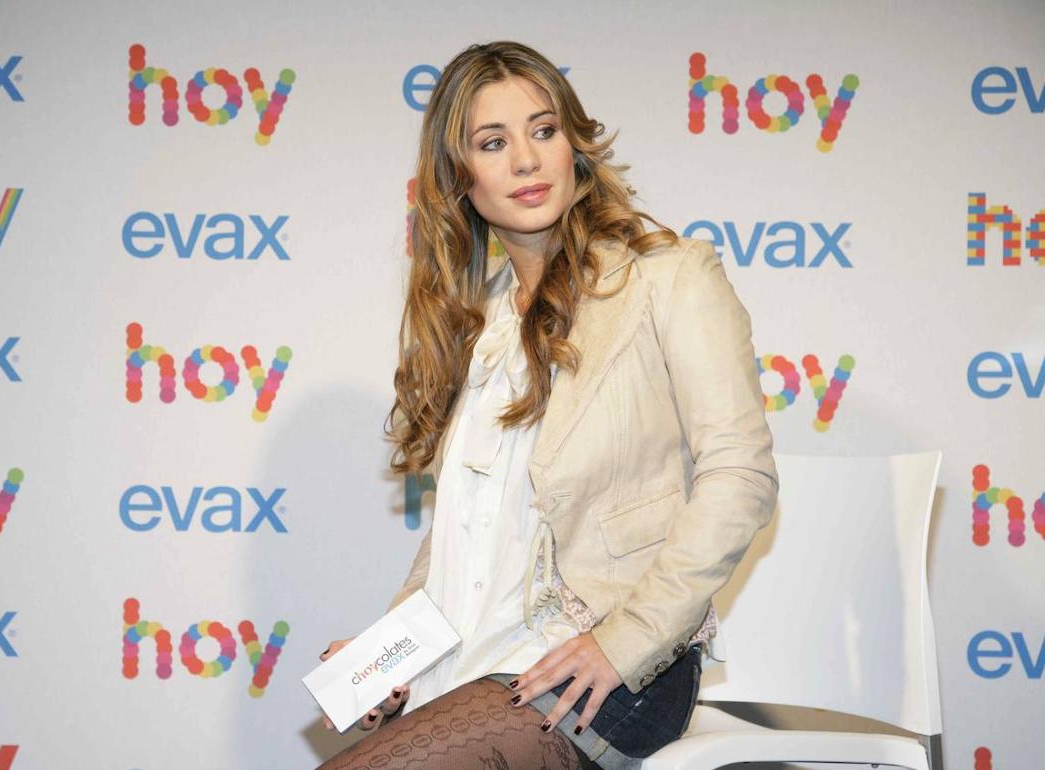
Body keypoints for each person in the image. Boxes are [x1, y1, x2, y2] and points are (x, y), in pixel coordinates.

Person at [317, 41, 778, 769]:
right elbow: (467, 538)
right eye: (493, 143)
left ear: (575, 145)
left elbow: (740, 477)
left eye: (543, 130)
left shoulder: (668, 276)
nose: (527, 161)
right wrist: (388, 657)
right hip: (476, 663)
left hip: (608, 674)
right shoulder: (480, 322)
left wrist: (622, 643)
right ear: (457, 176)